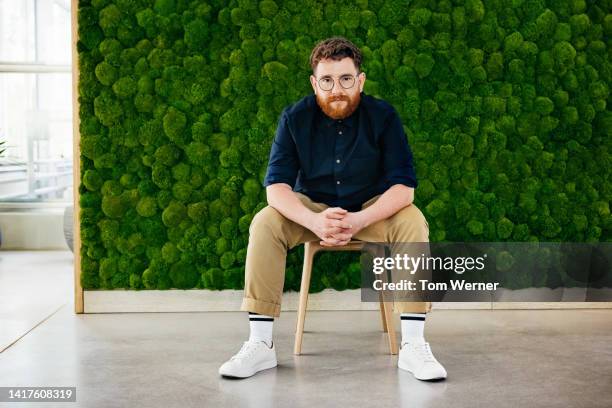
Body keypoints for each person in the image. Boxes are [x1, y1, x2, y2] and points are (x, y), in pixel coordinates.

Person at [219, 37, 447, 381]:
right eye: (327, 81)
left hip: (370, 209)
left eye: (345, 79)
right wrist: (313, 219)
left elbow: (404, 188)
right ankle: (260, 344)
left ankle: (413, 346)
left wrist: (358, 221)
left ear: (361, 80)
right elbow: (276, 189)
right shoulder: (294, 118)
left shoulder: (383, 116)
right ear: (315, 83)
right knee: (265, 222)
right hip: (313, 210)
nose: (336, 89)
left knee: (413, 221)